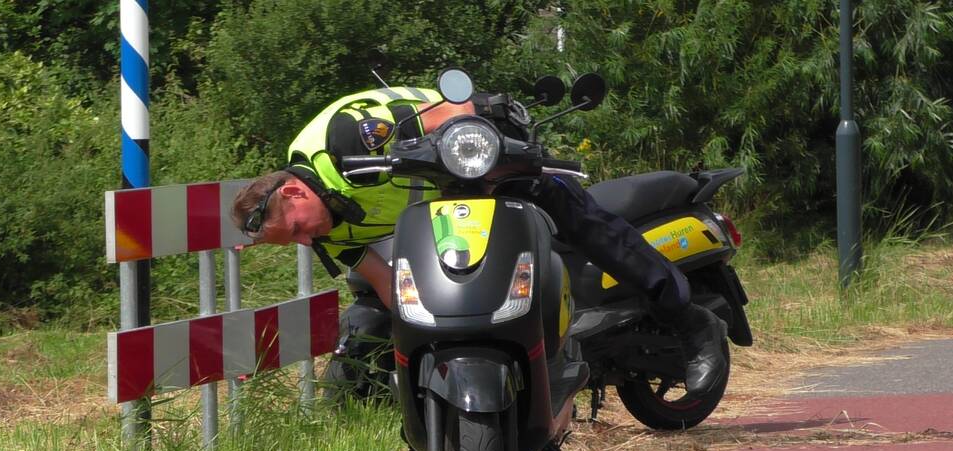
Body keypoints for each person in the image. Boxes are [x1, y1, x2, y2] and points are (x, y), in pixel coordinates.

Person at [231, 85, 728, 403]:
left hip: (471, 147)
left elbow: (454, 109)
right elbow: (387, 287)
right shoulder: (328, 227)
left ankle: (689, 320)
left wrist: (472, 164)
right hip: (438, 202)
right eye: (294, 242)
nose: (306, 240)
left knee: (574, 213)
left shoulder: (347, 139)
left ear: (293, 192)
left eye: (297, 230)